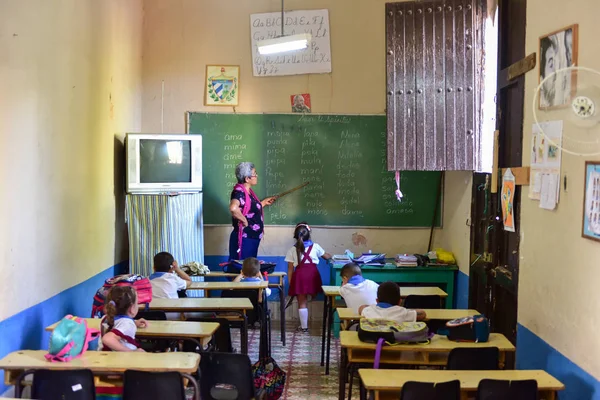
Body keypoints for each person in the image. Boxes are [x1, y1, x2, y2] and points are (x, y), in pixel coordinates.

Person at [228, 162, 277, 269]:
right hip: (245, 239)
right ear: (247, 178)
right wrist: (244, 220)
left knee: (249, 269)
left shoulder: (247, 192)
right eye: (255, 174)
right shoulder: (239, 192)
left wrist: (262, 203)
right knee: (243, 269)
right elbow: (233, 208)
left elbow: (249, 208)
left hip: (252, 238)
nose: (257, 176)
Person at [285, 222, 332, 332]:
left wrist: (292, 283)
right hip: (313, 275)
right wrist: (330, 255)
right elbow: (326, 256)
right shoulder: (316, 246)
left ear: (296, 235)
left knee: (302, 301)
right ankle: (320, 321)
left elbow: (290, 269)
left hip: (300, 276)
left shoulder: (292, 249)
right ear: (309, 234)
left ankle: (304, 327)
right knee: (312, 295)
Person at [101, 286, 147, 352]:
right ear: (132, 308)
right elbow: (107, 339)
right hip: (123, 359)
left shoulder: (107, 317)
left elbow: (119, 324)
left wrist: (134, 323)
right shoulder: (127, 324)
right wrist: (132, 352)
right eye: (137, 303)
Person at [359, 281, 427, 323]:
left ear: (377, 301)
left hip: (373, 342)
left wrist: (371, 306)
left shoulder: (368, 311)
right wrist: (407, 310)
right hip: (395, 342)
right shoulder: (403, 312)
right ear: (400, 302)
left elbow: (361, 308)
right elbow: (422, 314)